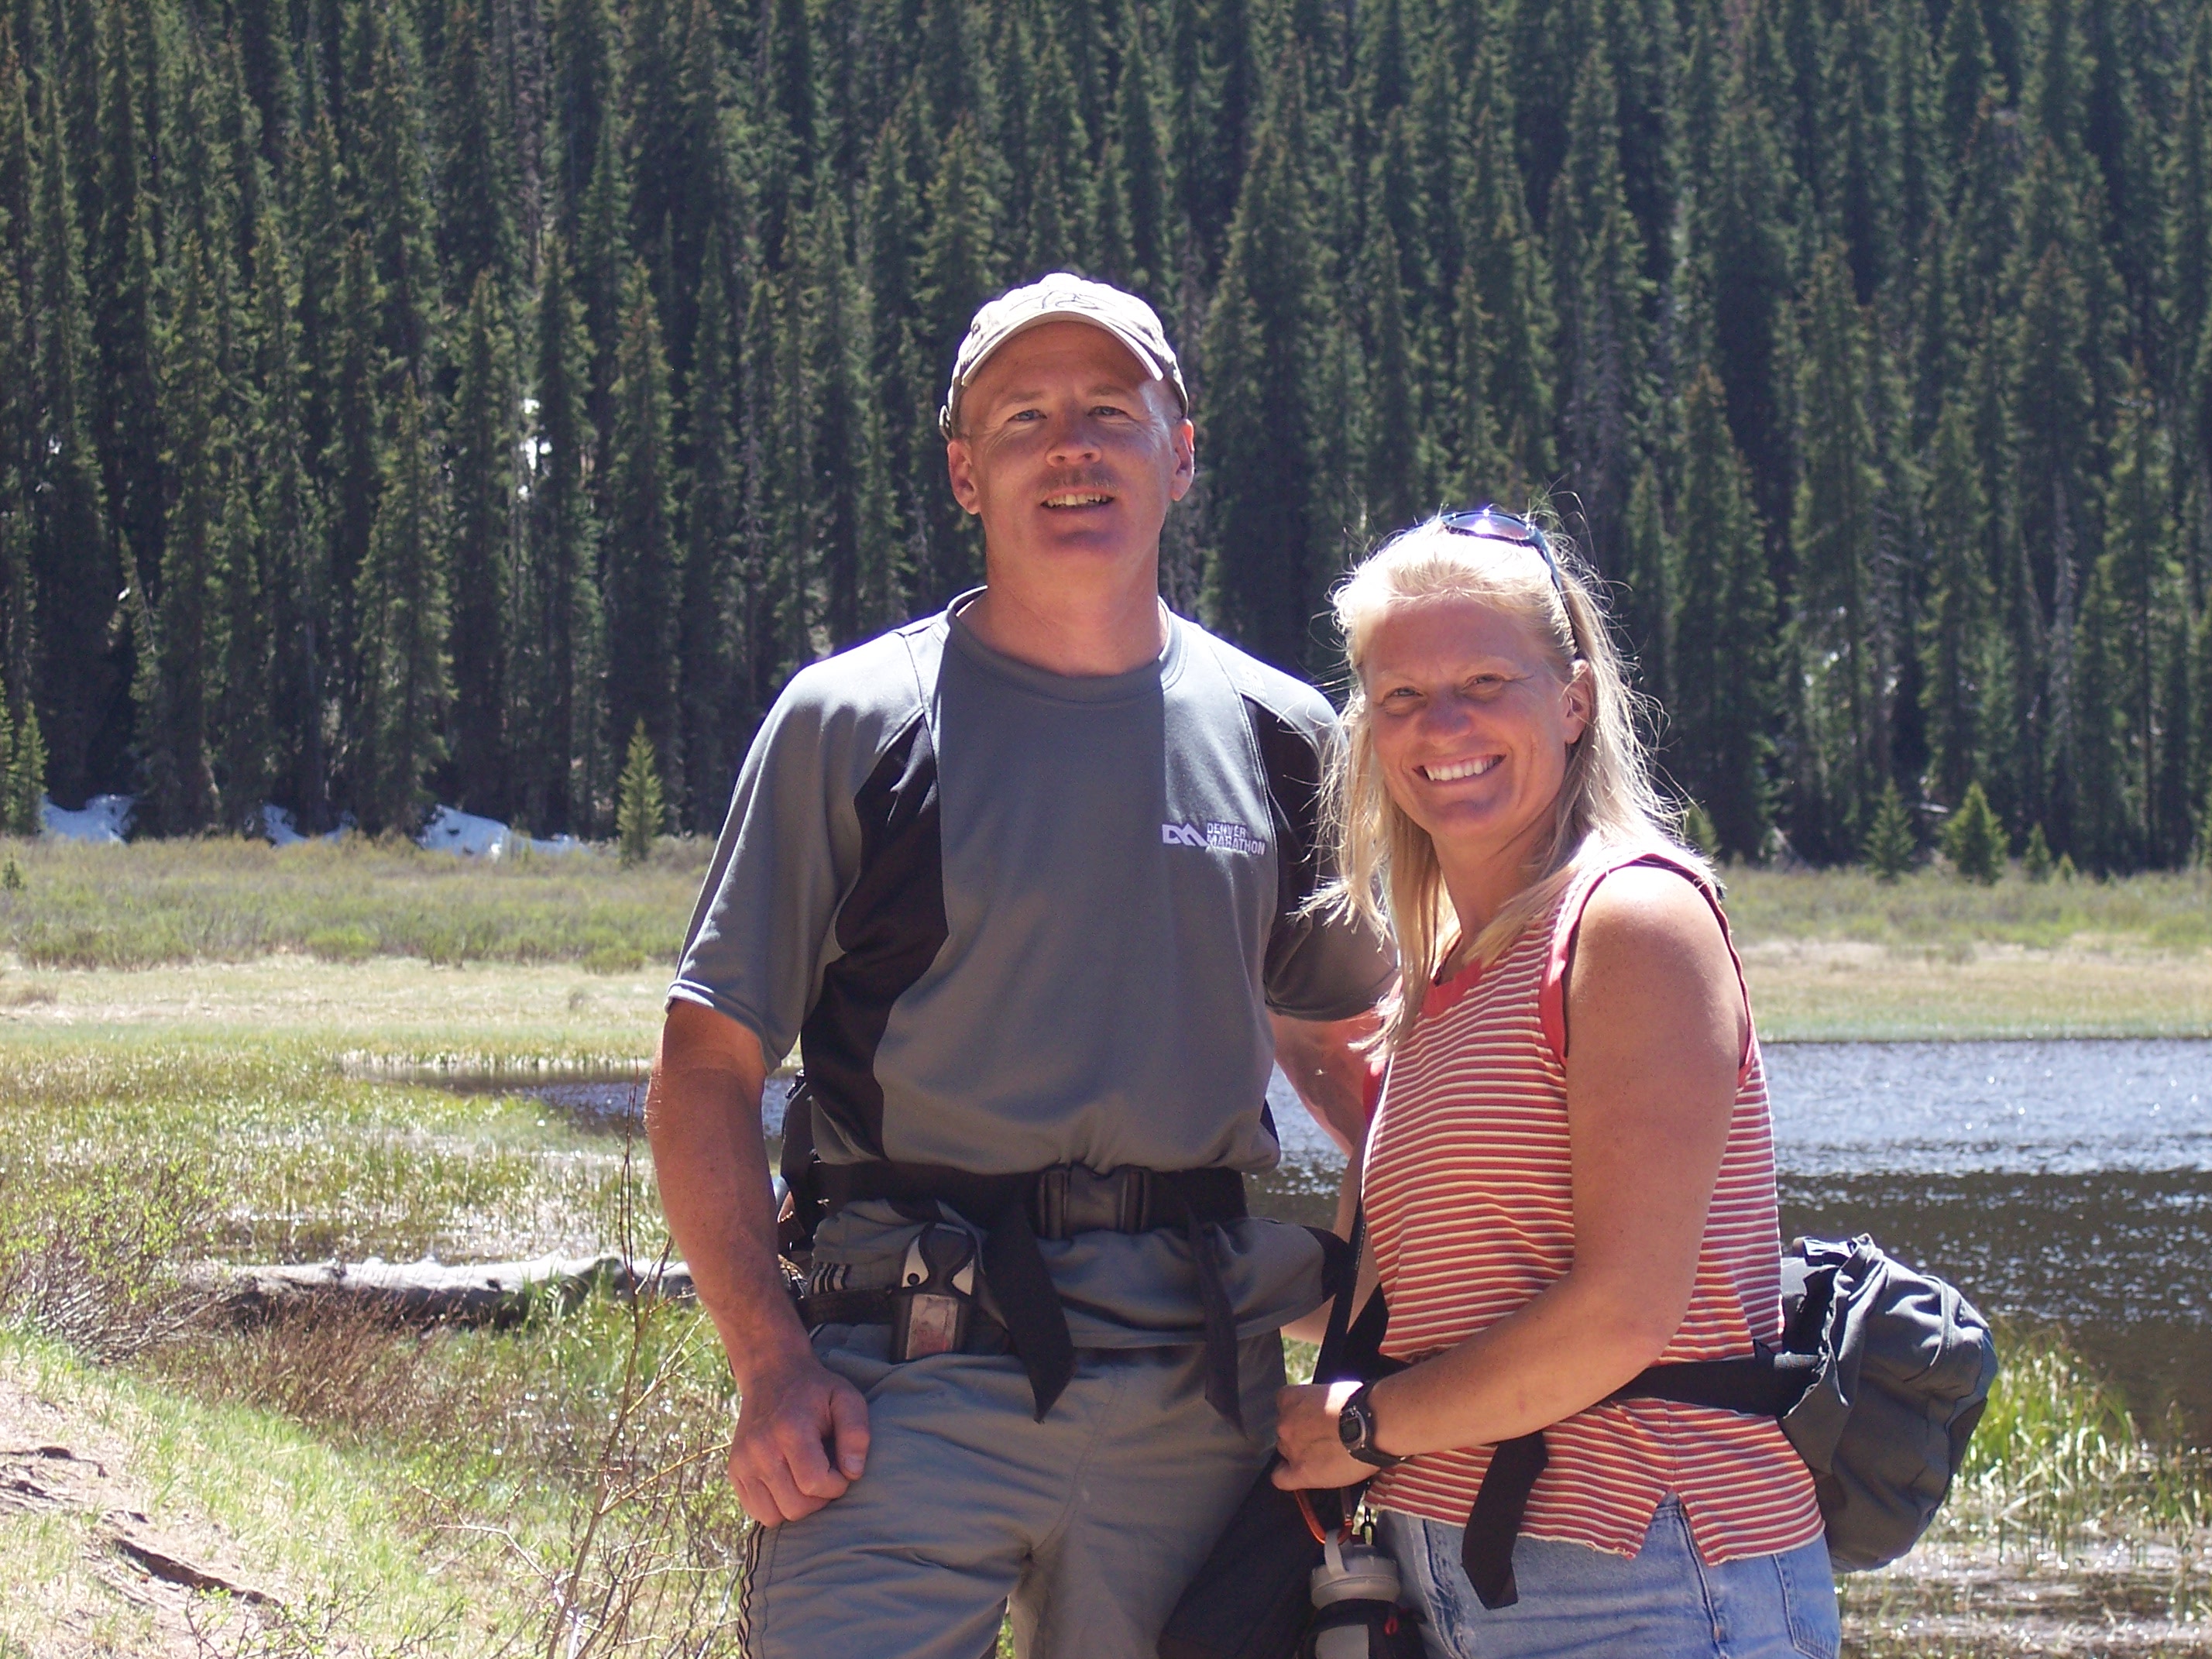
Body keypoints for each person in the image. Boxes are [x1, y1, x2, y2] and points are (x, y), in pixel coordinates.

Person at [647, 272, 1393, 1659]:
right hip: (900, 1379)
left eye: (1110, 411)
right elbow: (706, 1068)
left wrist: (1420, 1331)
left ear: (1181, 452)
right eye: (1023, 418)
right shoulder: (854, 720)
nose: (1071, 448)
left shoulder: (1285, 735)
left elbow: (1356, 1054)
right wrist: (768, 1362)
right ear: (964, 472)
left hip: (1197, 1403)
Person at [1271, 510, 1839, 1659]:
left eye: (1485, 681)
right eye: (1402, 696)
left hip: (1654, 1572)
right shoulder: (1439, 973)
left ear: (1574, 700)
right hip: (1464, 1578)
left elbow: (1623, 1312)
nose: (1444, 725)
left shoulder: (1632, 920)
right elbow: (1410, 1308)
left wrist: (1366, 1427)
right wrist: (1168, 1262)